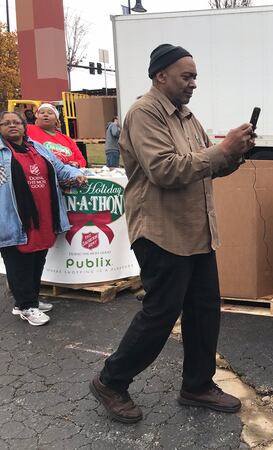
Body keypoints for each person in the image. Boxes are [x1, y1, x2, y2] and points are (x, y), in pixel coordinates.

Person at [89, 44, 255, 424]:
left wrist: (234, 153)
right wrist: (221, 150)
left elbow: (204, 168)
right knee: (160, 314)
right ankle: (111, 380)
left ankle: (197, 385)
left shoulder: (187, 118)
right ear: (160, 75)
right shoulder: (144, 113)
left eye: (195, 76)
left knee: (204, 311)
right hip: (161, 233)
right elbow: (165, 170)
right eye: (187, 76)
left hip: (196, 232)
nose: (193, 83)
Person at [0, 111, 86, 326]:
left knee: (38, 258)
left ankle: (28, 300)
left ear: (24, 126)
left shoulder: (37, 147)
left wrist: (75, 175)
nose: (12, 126)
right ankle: (27, 306)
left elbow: (59, 167)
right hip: (14, 219)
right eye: (6, 123)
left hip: (43, 214)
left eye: (17, 122)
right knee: (19, 261)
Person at [26, 103, 87, 168]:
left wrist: (76, 164)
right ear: (37, 118)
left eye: (50, 113)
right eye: (42, 113)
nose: (45, 115)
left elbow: (81, 160)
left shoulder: (67, 139)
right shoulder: (29, 129)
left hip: (67, 172)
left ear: (56, 120)